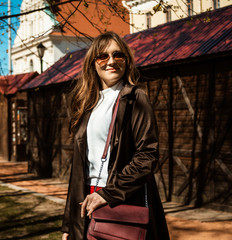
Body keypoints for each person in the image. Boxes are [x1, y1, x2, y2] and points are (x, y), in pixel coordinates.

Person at [61, 31, 170, 240]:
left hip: (120, 198)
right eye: (103, 56)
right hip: (86, 201)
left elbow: (147, 156)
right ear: (93, 63)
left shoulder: (134, 98)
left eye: (118, 55)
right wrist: (68, 224)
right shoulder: (87, 104)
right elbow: (77, 169)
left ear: (126, 61)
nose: (111, 61)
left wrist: (107, 193)